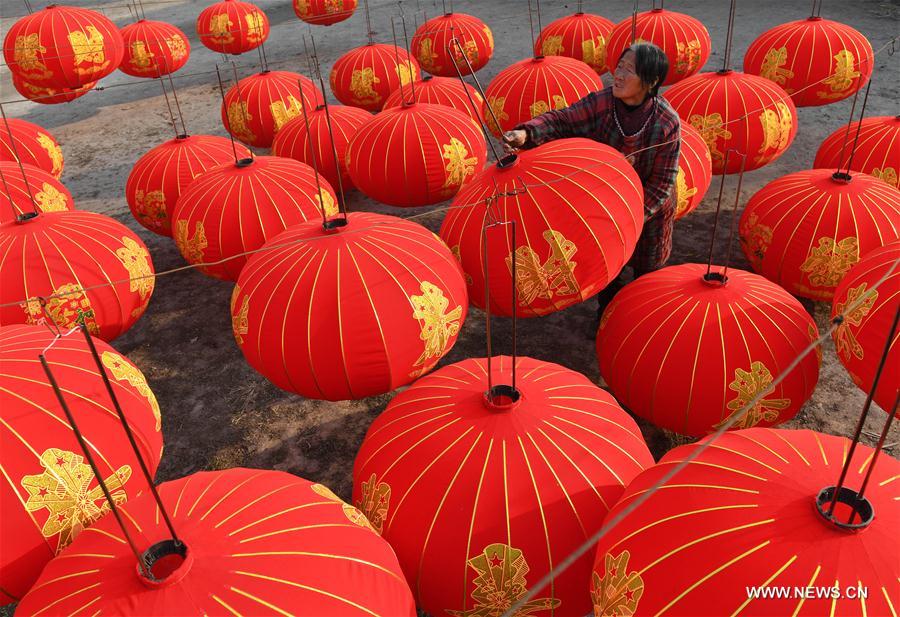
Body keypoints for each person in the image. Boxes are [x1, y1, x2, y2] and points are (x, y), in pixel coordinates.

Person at [503, 42, 681, 317]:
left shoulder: (666, 122)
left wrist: (630, 216)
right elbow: (563, 120)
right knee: (610, 270)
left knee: (647, 273)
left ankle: (643, 320)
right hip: (605, 206)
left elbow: (663, 182)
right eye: (619, 66)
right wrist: (527, 133)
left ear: (652, 80)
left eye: (629, 70)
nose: (618, 75)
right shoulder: (602, 102)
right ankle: (608, 318)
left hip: (649, 210)